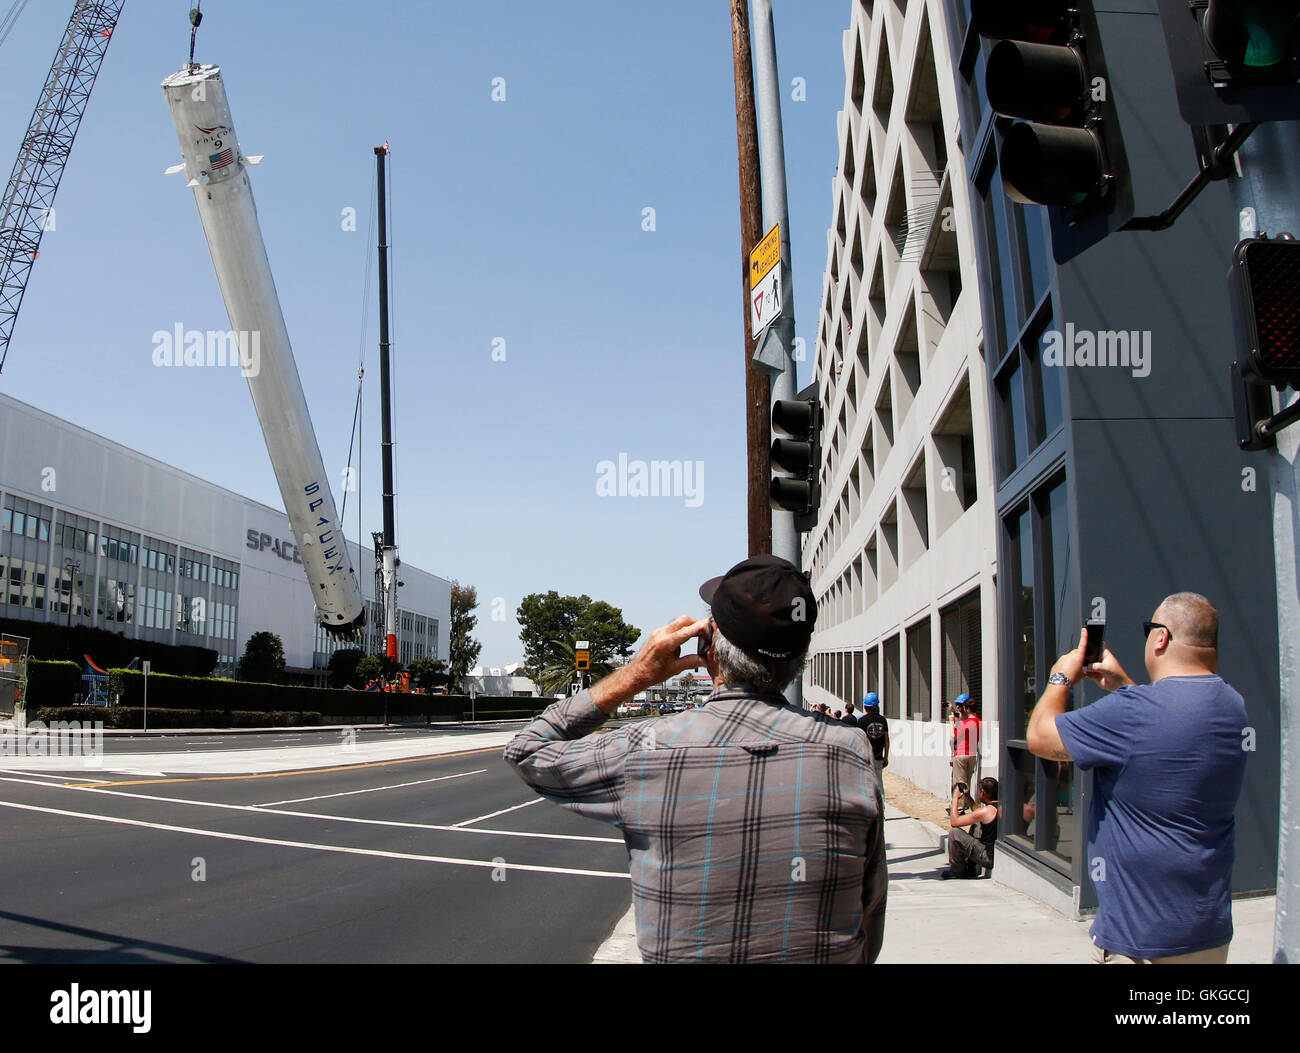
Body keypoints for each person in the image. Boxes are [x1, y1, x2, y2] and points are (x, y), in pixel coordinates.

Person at [504, 555, 887, 964]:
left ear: (710, 644)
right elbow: (869, 915)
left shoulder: (646, 748)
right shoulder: (852, 752)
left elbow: (528, 751)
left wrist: (636, 675)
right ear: (801, 654)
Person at [1026, 592, 1248, 964]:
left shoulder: (1130, 714)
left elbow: (1039, 737)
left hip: (1139, 939)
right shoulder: (1232, 705)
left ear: (1161, 637)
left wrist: (1061, 675)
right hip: (1207, 932)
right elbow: (1166, 731)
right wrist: (1125, 686)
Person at [941, 777, 999, 879]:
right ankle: (970, 866)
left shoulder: (987, 811)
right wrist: (967, 796)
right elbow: (977, 811)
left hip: (987, 857)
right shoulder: (999, 807)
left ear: (983, 792)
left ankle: (957, 871)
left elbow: (954, 822)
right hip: (995, 852)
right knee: (976, 825)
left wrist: (955, 798)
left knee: (955, 833)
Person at [951, 694, 978, 812]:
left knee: (960, 782)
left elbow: (954, 738)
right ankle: (967, 803)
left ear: (966, 708)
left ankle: (959, 807)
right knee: (967, 781)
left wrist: (952, 723)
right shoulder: (977, 721)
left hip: (961, 754)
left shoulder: (965, 723)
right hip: (972, 754)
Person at [857, 692, 889, 780]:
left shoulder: (861, 721)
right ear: (877, 706)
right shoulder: (883, 720)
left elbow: (859, 741)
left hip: (865, 758)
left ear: (865, 706)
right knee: (878, 784)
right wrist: (885, 757)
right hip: (878, 758)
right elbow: (886, 740)